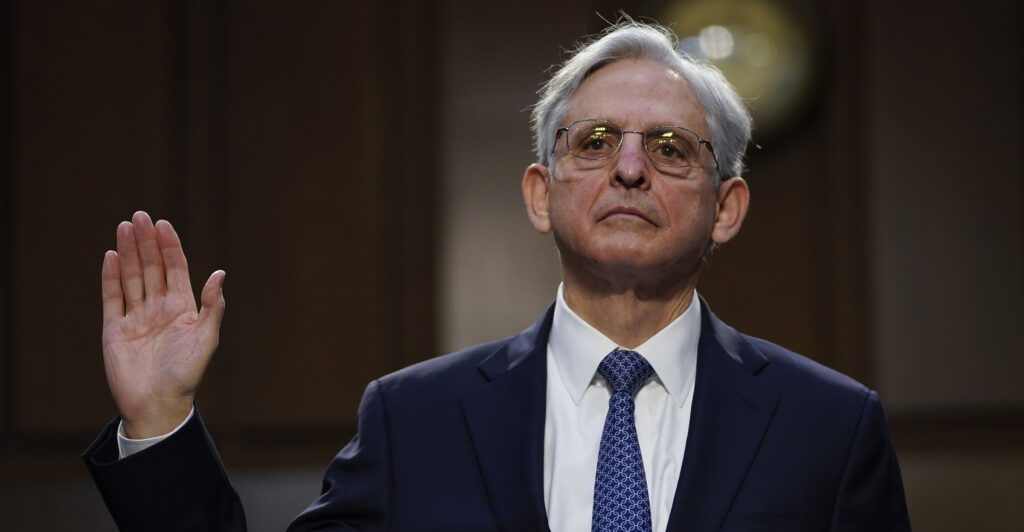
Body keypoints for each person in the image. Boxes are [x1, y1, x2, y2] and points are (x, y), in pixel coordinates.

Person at [83, 20, 911, 532]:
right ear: (540, 196)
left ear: (726, 207)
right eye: (593, 142)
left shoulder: (830, 428)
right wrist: (161, 423)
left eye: (668, 148)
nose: (628, 169)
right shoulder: (416, 420)